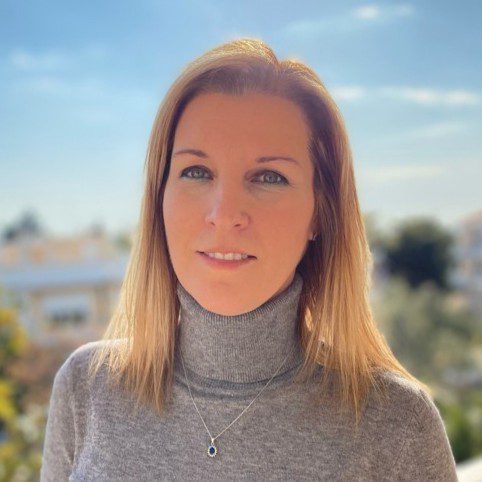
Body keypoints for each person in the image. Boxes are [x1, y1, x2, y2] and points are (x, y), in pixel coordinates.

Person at [40, 38, 458, 481]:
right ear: (159, 198)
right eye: (196, 172)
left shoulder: (395, 423)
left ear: (320, 212)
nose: (224, 214)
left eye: (269, 177)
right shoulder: (86, 388)